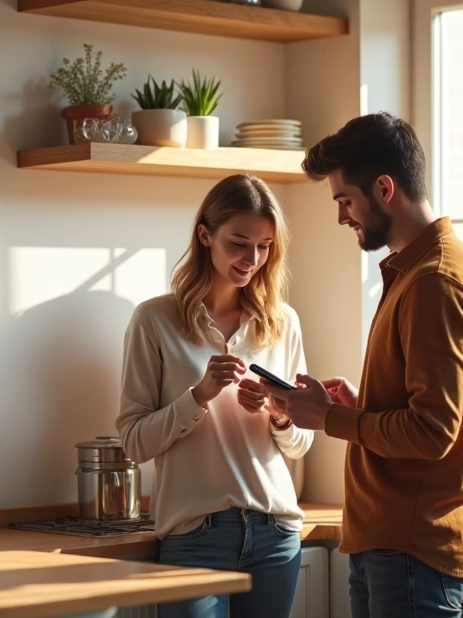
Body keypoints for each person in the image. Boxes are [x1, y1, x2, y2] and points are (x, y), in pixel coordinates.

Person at [259, 112, 463, 617]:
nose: (342, 216)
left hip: (411, 548)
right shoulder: (416, 271)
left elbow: (433, 432)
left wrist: (329, 419)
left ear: (385, 188)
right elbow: (421, 411)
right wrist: (360, 405)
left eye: (346, 200)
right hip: (387, 543)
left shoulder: (436, 280)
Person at [116, 173, 314, 618]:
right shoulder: (154, 320)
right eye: (239, 243)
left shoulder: (282, 322)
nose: (252, 258)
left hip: (275, 532)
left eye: (264, 246)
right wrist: (198, 396)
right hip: (195, 536)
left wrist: (278, 414)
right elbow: (134, 441)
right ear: (205, 235)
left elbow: (303, 441)